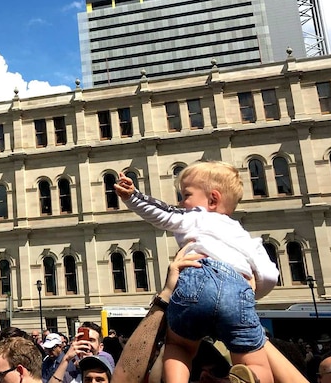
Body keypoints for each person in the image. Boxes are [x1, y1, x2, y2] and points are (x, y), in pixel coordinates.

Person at [114, 162, 279, 383]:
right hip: (239, 289)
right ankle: (253, 378)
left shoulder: (197, 216)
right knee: (252, 355)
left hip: (198, 277)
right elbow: (269, 275)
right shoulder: (247, 237)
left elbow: (163, 214)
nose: (181, 202)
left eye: (186, 195)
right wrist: (252, 292)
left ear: (212, 200)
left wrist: (133, 197)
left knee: (179, 345)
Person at [49, 322, 113, 383]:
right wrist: (66, 359)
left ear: (100, 347)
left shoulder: (107, 372)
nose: (86, 344)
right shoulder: (69, 377)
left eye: (91, 340)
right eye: (82, 340)